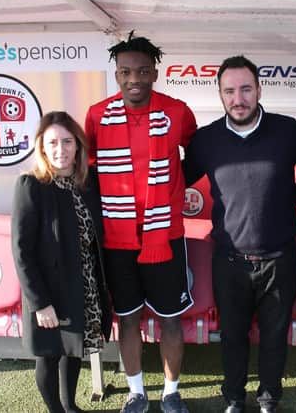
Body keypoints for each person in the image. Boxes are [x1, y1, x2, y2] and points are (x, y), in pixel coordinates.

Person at [183, 55, 296, 413]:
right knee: (232, 337)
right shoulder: (206, 140)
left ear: (258, 89)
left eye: (245, 89)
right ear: (220, 95)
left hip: (280, 258)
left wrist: (285, 195)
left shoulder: (289, 132)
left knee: (274, 337)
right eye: (229, 91)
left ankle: (269, 398)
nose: (238, 98)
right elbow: (175, 183)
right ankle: (234, 399)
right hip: (229, 260)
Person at [84, 31, 197, 413]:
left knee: (169, 320)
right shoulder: (98, 115)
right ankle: (136, 392)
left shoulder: (177, 111)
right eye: (125, 72)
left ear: (154, 73)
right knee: (127, 319)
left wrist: (182, 192)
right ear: (116, 75)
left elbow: (196, 156)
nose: (134, 79)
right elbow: (90, 171)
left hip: (165, 236)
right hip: (117, 239)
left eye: (142, 71)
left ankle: (171, 392)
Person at [11, 111, 112, 413]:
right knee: (49, 354)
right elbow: (21, 250)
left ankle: (71, 407)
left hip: (84, 286)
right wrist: (39, 303)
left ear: (78, 146)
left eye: (68, 141)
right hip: (48, 292)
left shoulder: (88, 182)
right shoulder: (31, 185)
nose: (61, 149)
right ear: (41, 146)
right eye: (52, 142)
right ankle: (56, 409)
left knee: (74, 350)